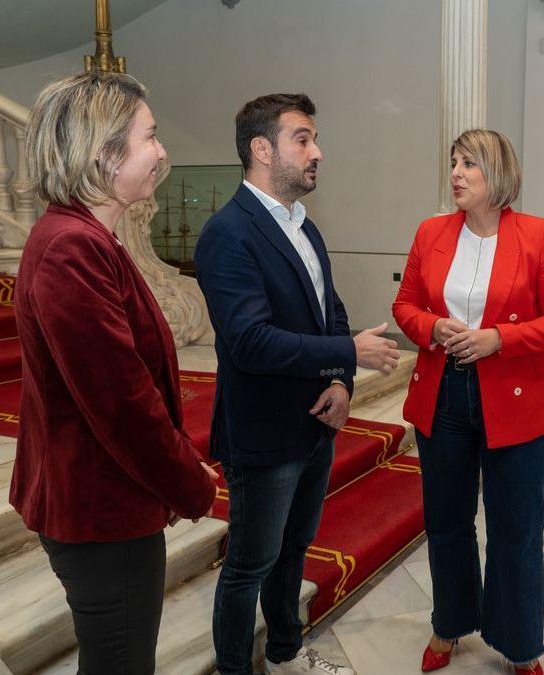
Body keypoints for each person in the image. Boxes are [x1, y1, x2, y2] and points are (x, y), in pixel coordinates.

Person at [11, 71, 219, 674]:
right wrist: (189, 482)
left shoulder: (86, 236)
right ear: (103, 154)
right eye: (149, 137)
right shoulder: (70, 247)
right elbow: (121, 403)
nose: (161, 152)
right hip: (100, 510)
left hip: (109, 498)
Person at [195, 93, 400, 675]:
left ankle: (284, 653)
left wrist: (341, 382)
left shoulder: (303, 226)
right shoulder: (228, 233)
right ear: (262, 149)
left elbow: (328, 308)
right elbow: (250, 341)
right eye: (303, 139)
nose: (318, 152)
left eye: (313, 140)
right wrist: (348, 350)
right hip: (262, 435)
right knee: (248, 567)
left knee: (291, 555)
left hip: (314, 423)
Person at [392, 129, 544, 675]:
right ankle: (449, 624)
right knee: (447, 520)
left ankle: (520, 644)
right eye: (452, 162)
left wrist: (499, 339)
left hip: (512, 398)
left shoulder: (537, 235)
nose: (455, 173)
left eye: (468, 163)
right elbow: (404, 305)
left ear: (496, 174)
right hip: (443, 394)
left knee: (516, 528)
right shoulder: (431, 233)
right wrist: (432, 327)